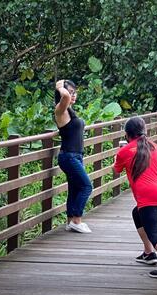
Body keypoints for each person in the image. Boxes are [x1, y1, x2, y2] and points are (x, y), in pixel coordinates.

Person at [113, 117, 157, 279]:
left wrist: (118, 154)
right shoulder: (154, 146)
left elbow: (116, 171)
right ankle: (148, 253)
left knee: (154, 233)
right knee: (137, 213)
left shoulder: (124, 151)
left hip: (149, 196)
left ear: (127, 135)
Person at [54, 79, 92, 233]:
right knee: (86, 186)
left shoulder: (69, 110)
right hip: (68, 156)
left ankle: (71, 220)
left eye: (74, 92)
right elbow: (65, 98)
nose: (73, 95)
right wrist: (59, 86)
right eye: (70, 92)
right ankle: (77, 219)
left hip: (75, 156)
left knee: (75, 188)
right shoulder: (60, 109)